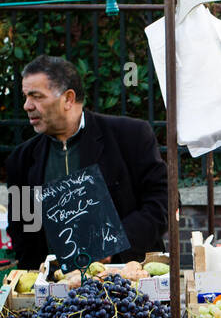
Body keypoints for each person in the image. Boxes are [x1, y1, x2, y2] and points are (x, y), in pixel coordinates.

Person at [6, 55, 169, 268]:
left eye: (36, 96)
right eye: (26, 96)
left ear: (68, 99)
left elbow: (162, 203)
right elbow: (22, 229)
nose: (27, 105)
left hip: (127, 280)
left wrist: (112, 244)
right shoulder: (21, 159)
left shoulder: (131, 136)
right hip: (54, 288)